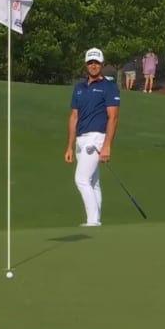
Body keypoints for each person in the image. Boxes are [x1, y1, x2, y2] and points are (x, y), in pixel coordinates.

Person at [65, 48, 120, 227]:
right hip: (81, 140)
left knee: (81, 179)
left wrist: (107, 146)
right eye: (90, 63)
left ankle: (92, 221)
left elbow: (113, 117)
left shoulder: (109, 87)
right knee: (93, 183)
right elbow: (74, 117)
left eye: (96, 62)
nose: (93, 65)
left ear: (102, 64)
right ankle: (96, 221)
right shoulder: (79, 88)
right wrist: (69, 146)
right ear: (86, 65)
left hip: (97, 138)